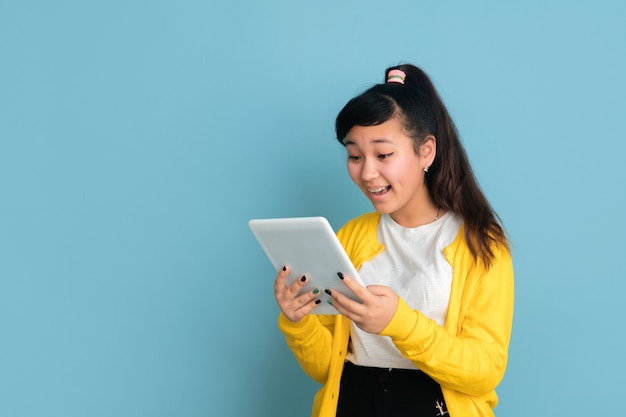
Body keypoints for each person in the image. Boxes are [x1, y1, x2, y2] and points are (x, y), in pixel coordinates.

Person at [273, 63, 514, 417]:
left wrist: (398, 323)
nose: (367, 172)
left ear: (426, 151)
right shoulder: (351, 237)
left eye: (383, 155)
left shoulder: (480, 244)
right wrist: (299, 322)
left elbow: (485, 371)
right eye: (355, 156)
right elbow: (329, 370)